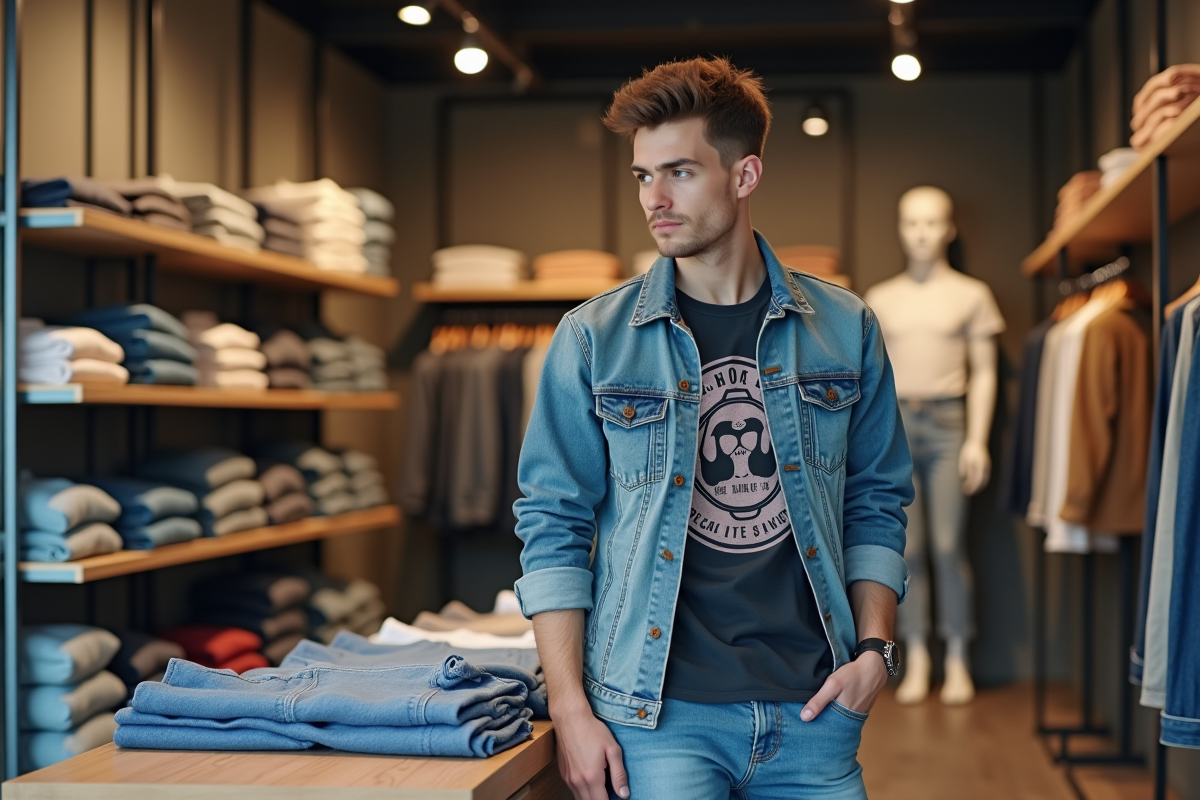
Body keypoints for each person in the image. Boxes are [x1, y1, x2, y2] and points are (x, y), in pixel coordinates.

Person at [513, 57, 914, 800]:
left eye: (680, 173)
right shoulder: (594, 339)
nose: (654, 200)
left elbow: (877, 501)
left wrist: (874, 654)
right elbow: (553, 521)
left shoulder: (844, 328)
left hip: (816, 712)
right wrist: (569, 708)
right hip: (659, 719)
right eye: (641, 176)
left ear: (744, 175)